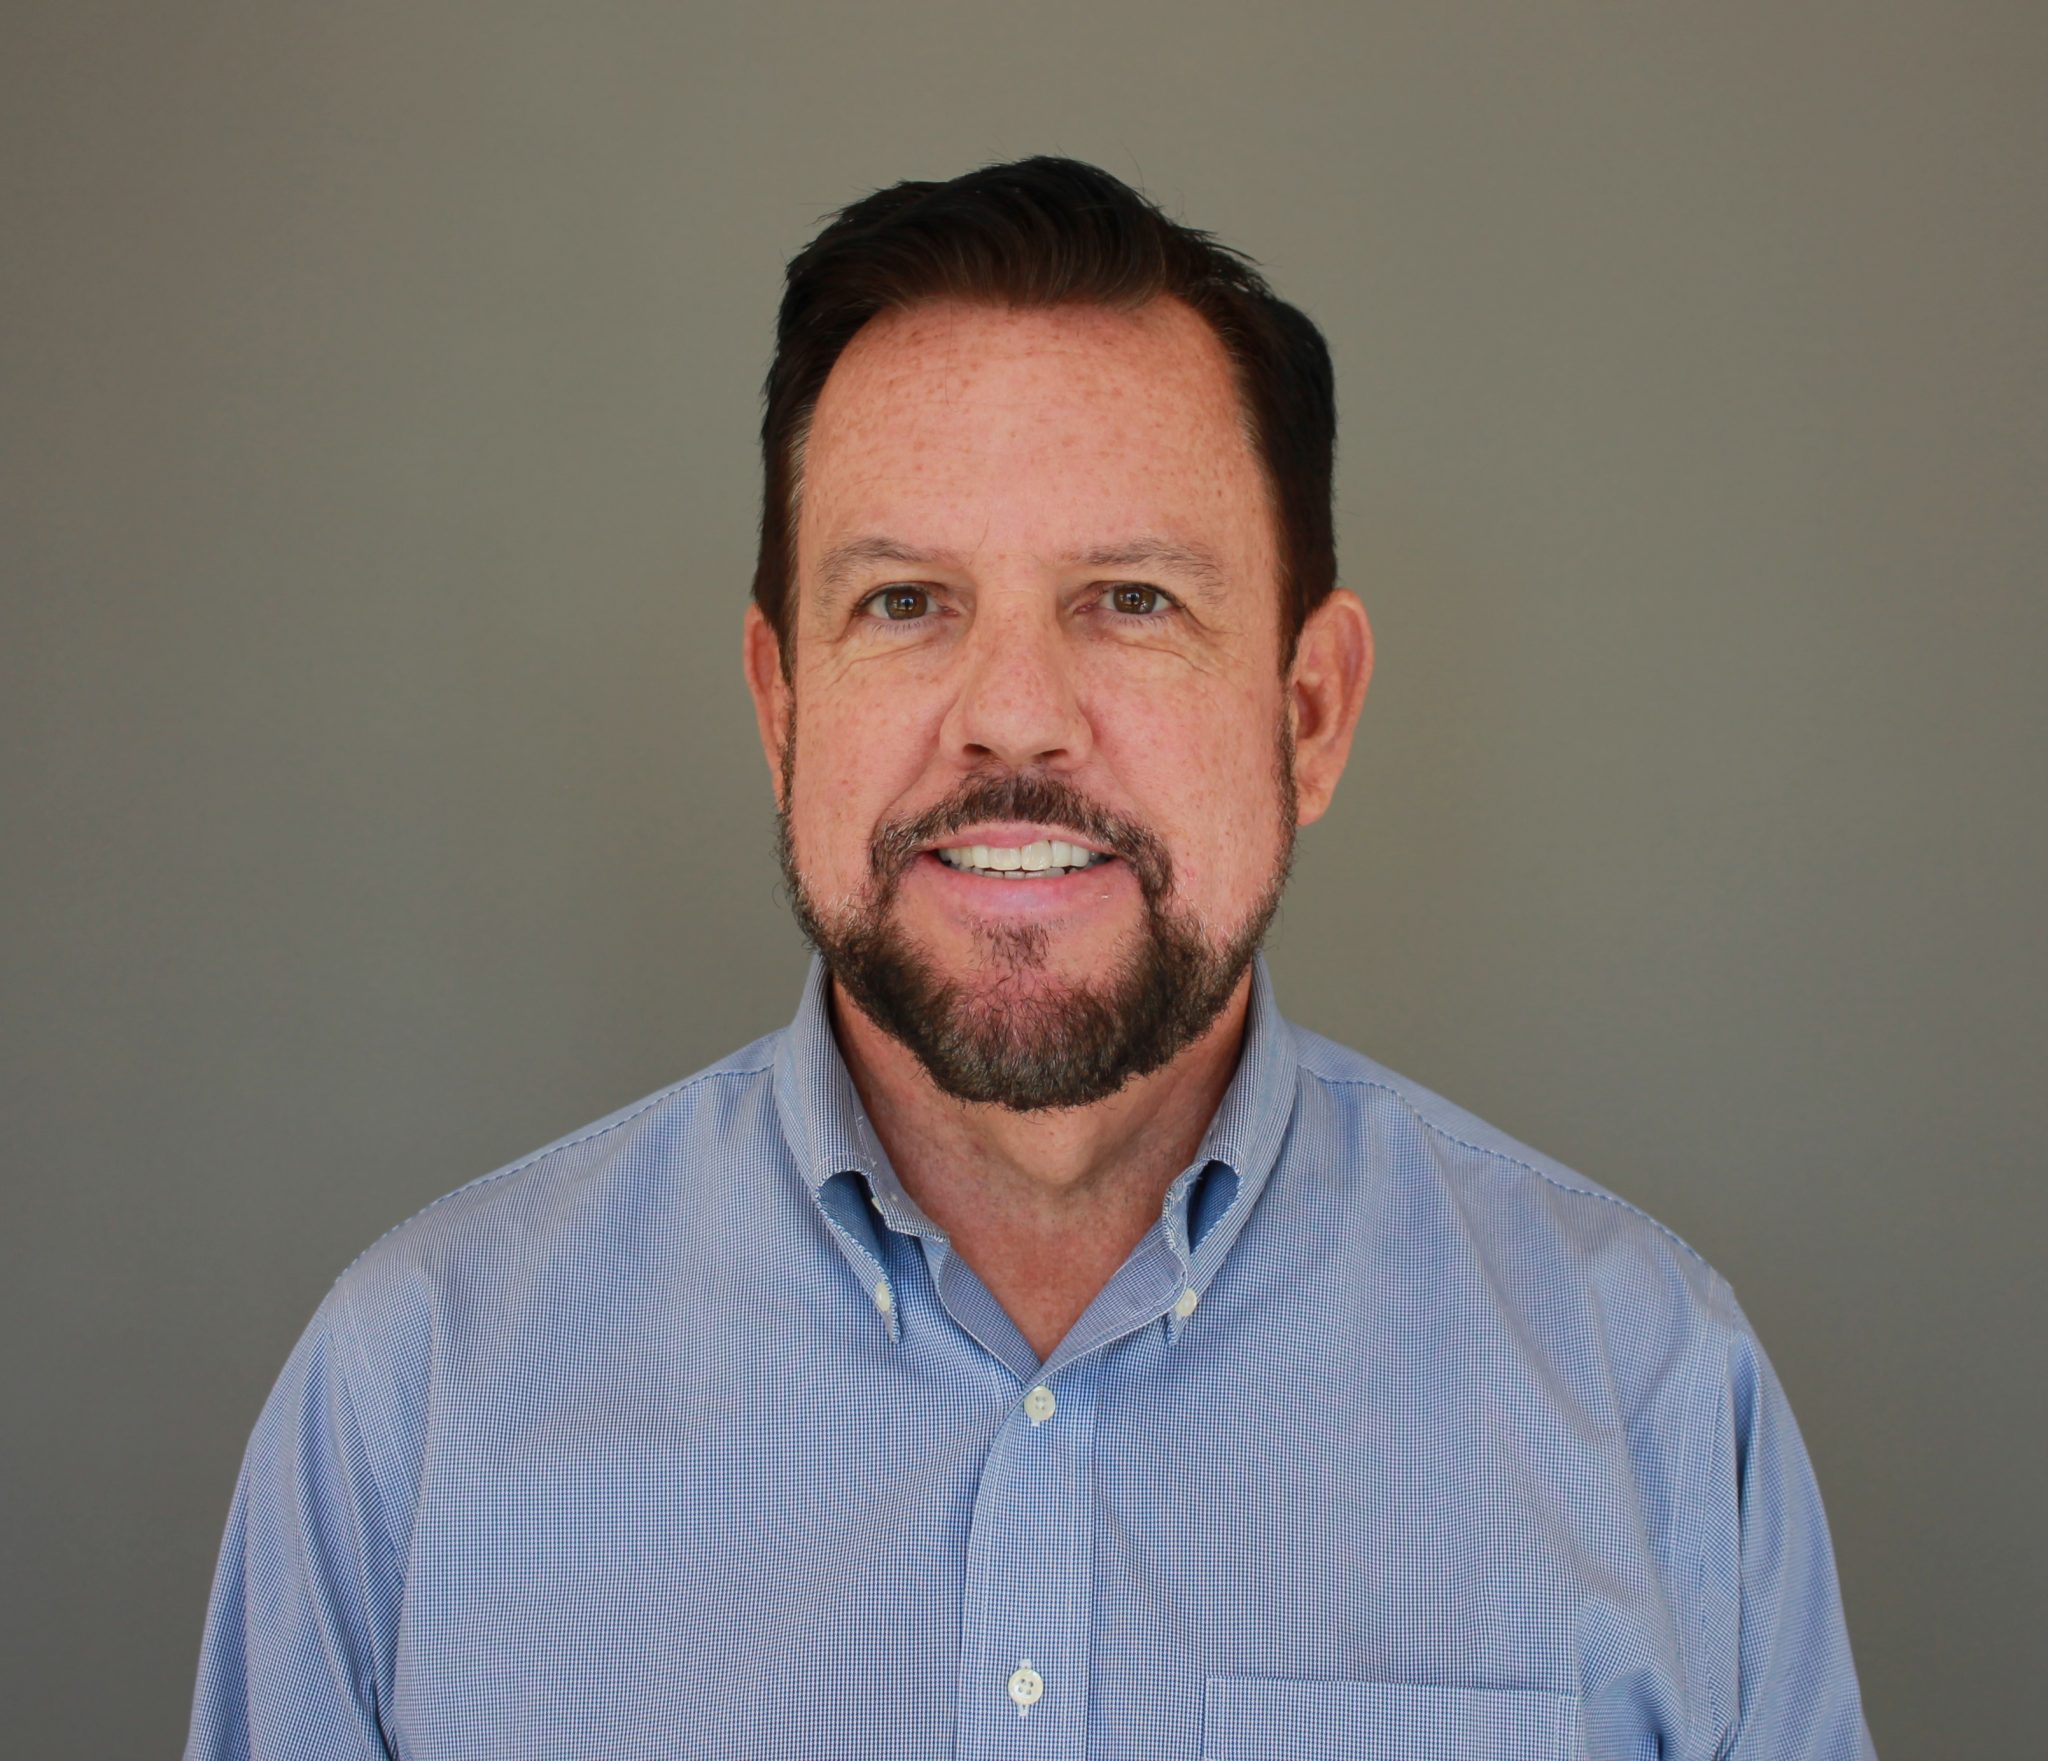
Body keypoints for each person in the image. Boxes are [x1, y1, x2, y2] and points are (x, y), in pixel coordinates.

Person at [185, 158, 1875, 1760]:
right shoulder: (408, 1408)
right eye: (906, 600)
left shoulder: (1649, 1395)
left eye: (1133, 599)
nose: (1010, 714)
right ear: (783, 708)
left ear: (1309, 710)